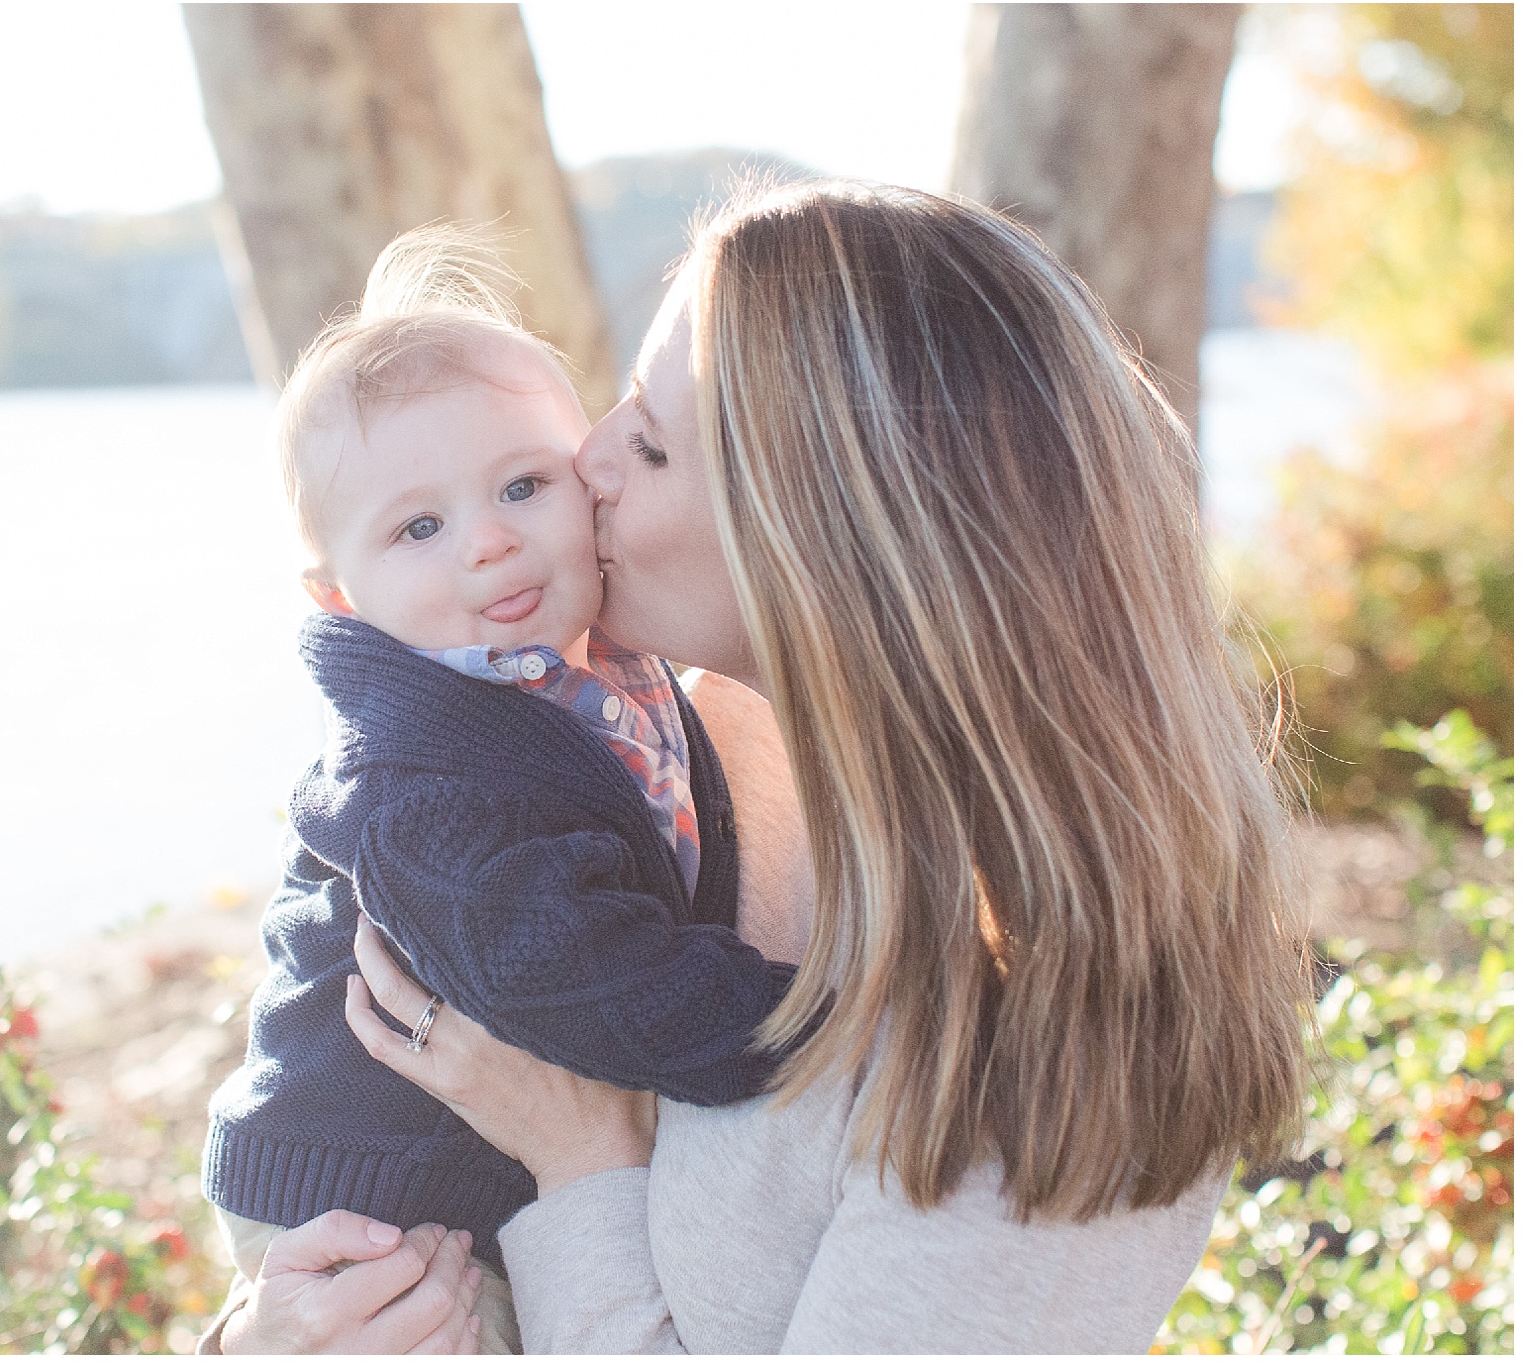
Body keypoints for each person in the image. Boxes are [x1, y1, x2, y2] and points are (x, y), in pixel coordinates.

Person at [207, 181, 1316, 1354]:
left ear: (818, 538)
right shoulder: (669, 744)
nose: (582, 463)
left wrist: (580, 1154)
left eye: (645, 438)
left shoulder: (1061, 1051)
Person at [199, 227, 798, 1354]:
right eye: (419, 527)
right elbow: (581, 972)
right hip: (378, 1201)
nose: (488, 543)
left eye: (523, 484)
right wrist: (807, 1023)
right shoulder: (424, 781)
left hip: (458, 1156)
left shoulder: (595, 676)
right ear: (339, 596)